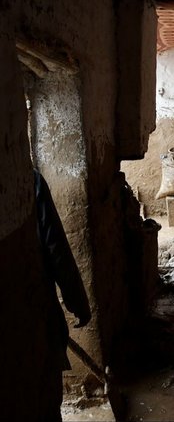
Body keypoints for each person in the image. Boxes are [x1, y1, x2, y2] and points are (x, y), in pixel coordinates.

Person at [34, 169, 92, 422]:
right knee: (42, 395)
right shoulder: (28, 180)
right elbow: (55, 245)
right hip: (32, 319)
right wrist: (77, 301)